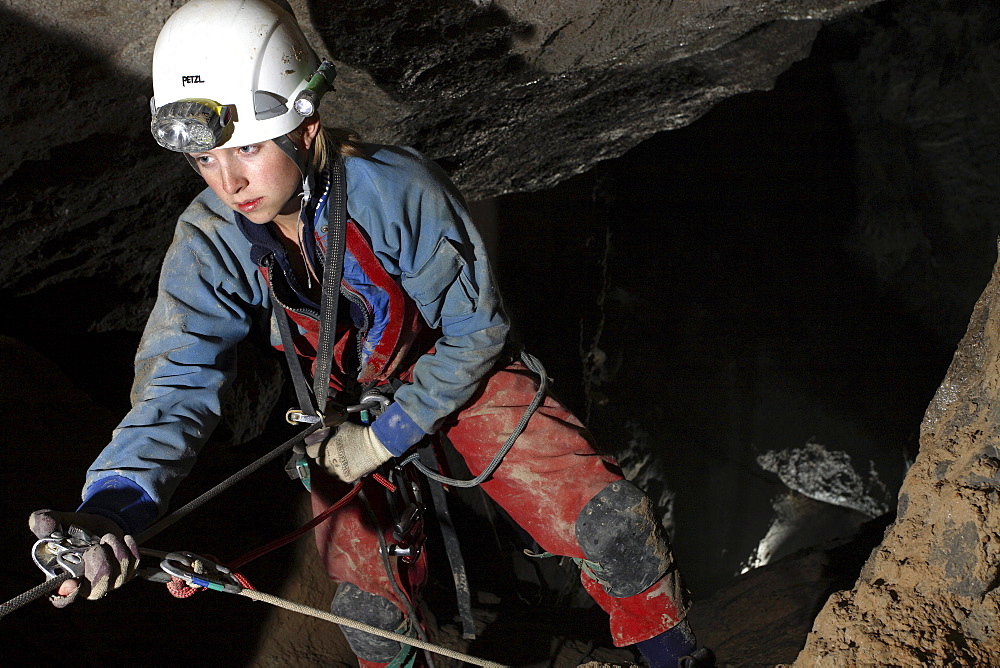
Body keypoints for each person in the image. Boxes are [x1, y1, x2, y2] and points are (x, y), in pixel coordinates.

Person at [28, 1, 714, 666]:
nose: (229, 180)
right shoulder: (208, 242)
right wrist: (112, 509)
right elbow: (177, 384)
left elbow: (476, 328)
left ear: (304, 127)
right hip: (337, 413)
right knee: (371, 616)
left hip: (454, 371)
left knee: (608, 523)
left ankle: (674, 658)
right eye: (207, 160)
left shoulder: (395, 190)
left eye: (250, 150)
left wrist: (387, 436)